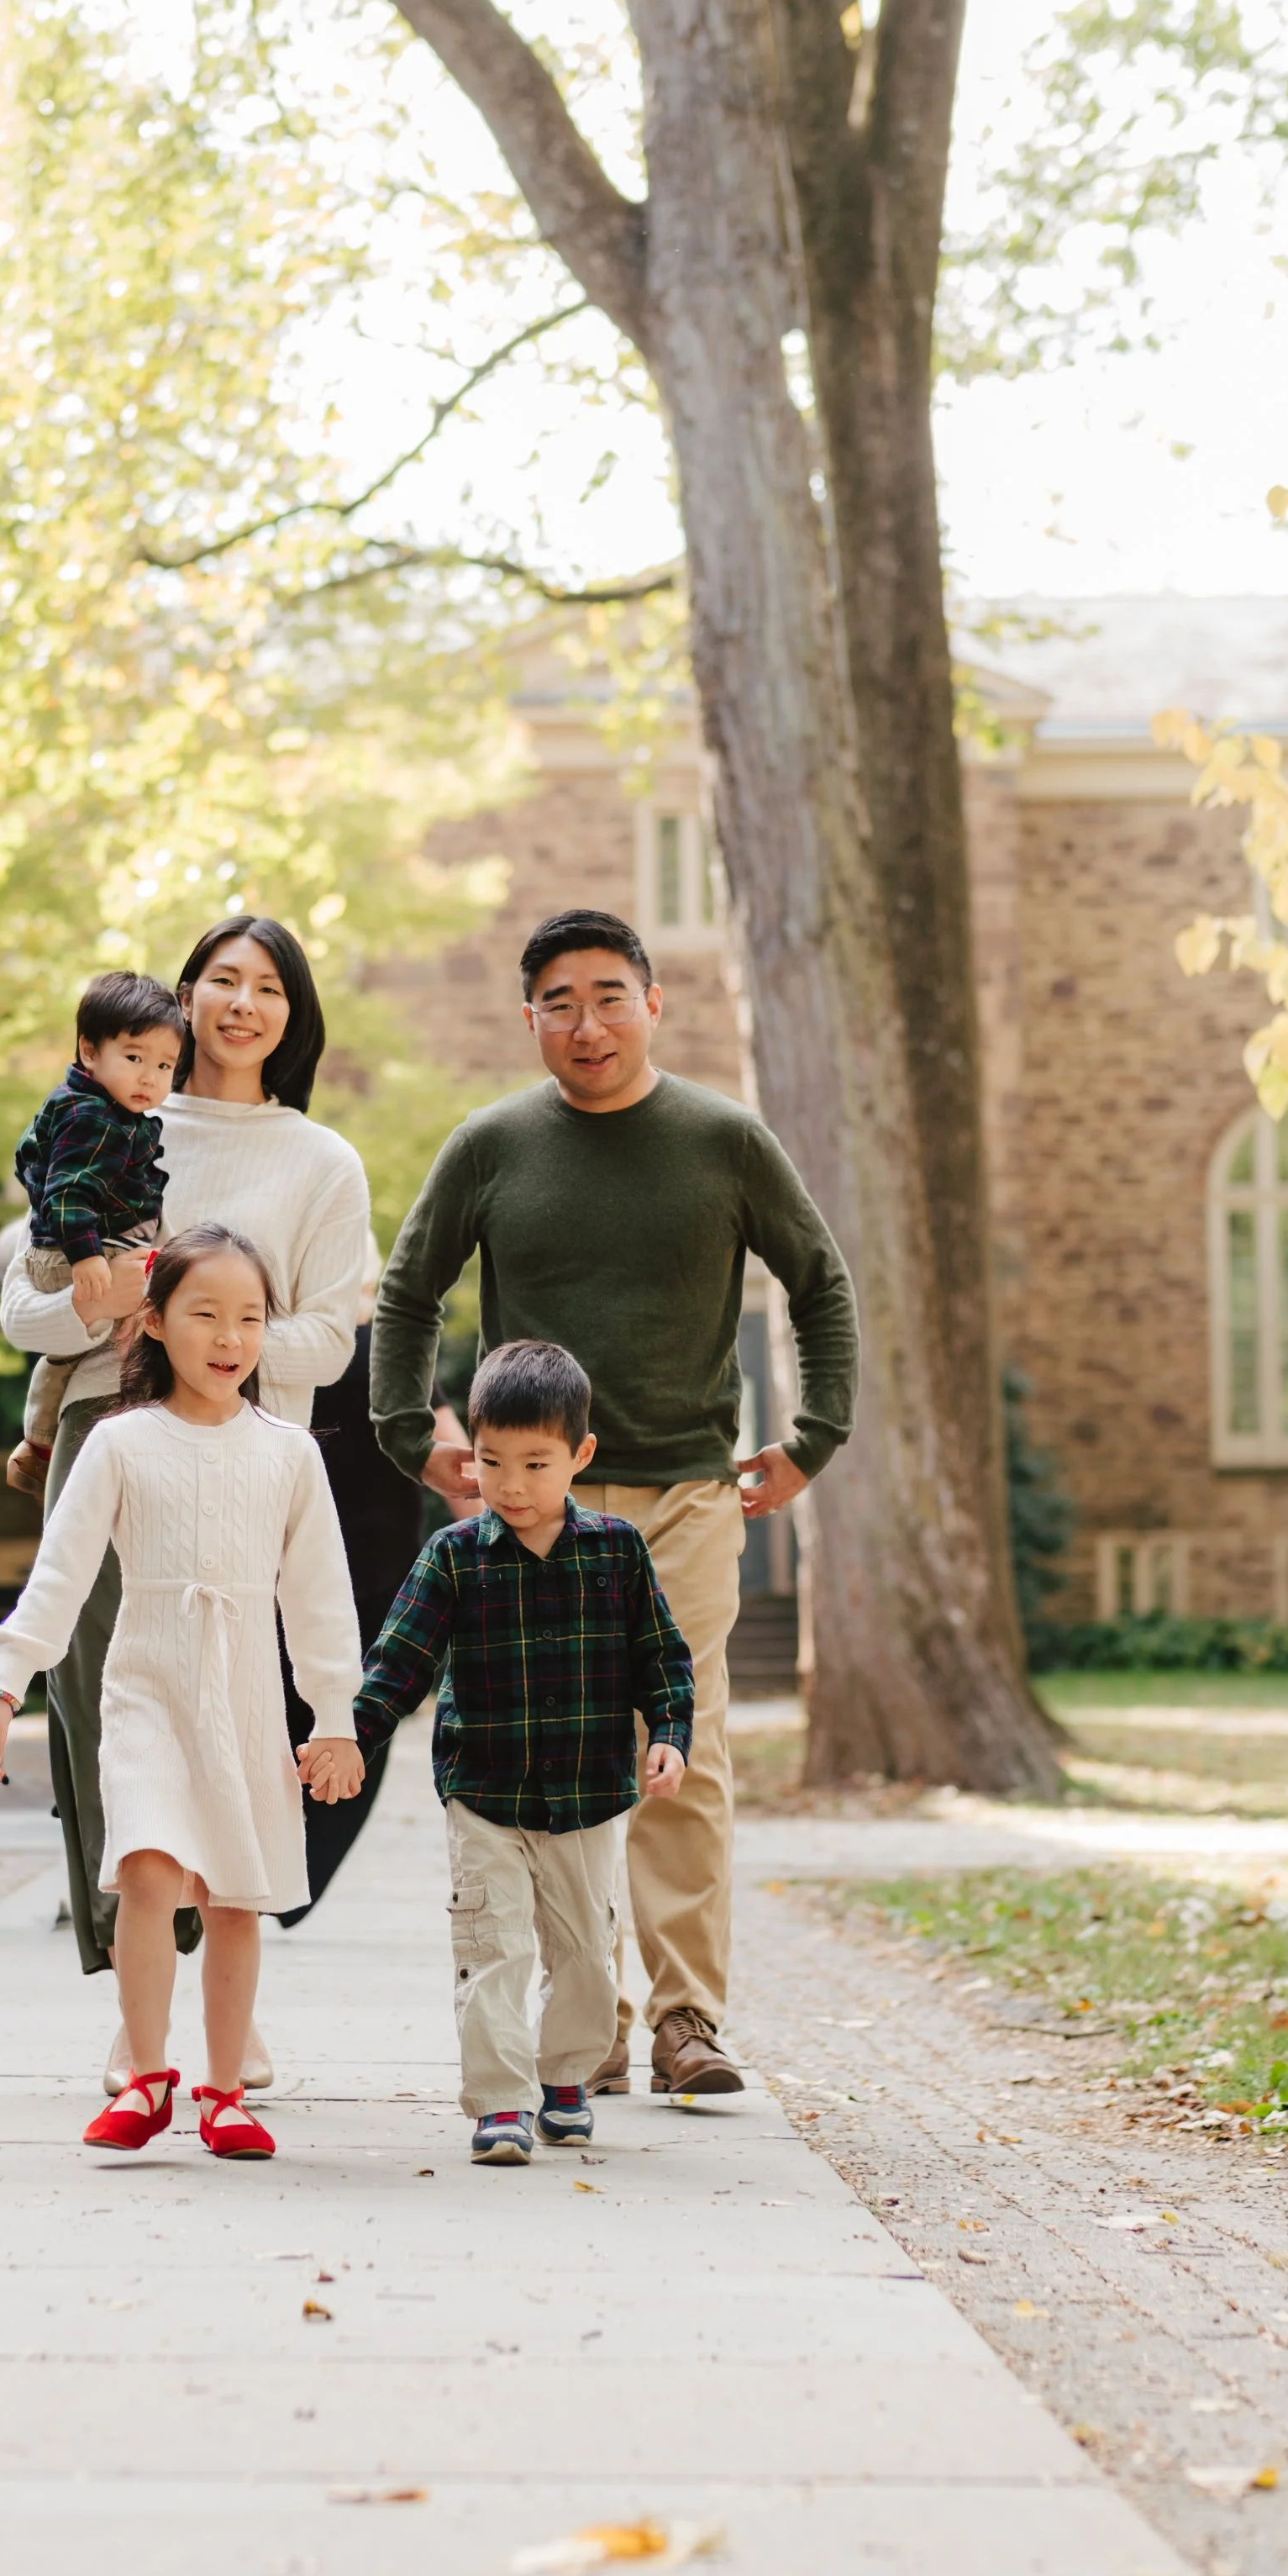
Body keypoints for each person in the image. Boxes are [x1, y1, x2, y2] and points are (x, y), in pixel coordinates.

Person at [370, 908, 858, 2099]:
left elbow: (820, 1280)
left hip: (688, 1493)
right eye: (557, 1002)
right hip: (532, 1508)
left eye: (606, 995)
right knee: (557, 1754)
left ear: (651, 1003)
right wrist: (411, 1428)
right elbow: (408, 1290)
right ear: (530, 1016)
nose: (585, 1023)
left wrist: (813, 1439)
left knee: (675, 1744)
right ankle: (591, 2020)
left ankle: (687, 2016)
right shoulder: (491, 1145)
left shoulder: (724, 1139)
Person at [0, 915, 371, 2073]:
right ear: (186, 995)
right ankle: (138, 2008)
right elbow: (23, 1311)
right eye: (221, 979)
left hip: (242, 1464)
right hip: (110, 1440)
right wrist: (112, 1312)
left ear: (293, 1015)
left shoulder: (321, 1162)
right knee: (107, 1718)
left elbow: (332, 1335)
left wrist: (218, 1340)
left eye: (267, 986)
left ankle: (226, 1998)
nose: (241, 1003)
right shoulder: (107, 1117)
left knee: (226, 1722)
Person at [0, 1226, 363, 2157]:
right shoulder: (118, 1444)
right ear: (152, 1323)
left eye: (249, 1318)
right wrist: (5, 1684)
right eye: (204, 1315)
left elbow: (318, 1600)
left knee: (233, 1894)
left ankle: (223, 2092)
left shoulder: (289, 1454)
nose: (229, 1338)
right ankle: (146, 2077)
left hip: (244, 1695)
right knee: (147, 1870)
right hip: (145, 1682)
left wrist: (336, 1717)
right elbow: (60, 1574)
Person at [354, 1339, 693, 2165]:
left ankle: (567, 2077)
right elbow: (399, 1663)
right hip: (483, 1789)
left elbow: (663, 1658)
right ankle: (501, 2103)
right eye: (492, 1461)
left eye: (536, 1464)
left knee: (584, 1949)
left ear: (579, 1456)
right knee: (492, 1947)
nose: (510, 1485)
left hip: (585, 1793)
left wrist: (671, 1737)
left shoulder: (617, 1552)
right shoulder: (454, 1557)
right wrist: (349, 1741)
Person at [277, 1236, 477, 1923]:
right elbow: (463, 1471)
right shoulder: (395, 1354)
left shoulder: (278, 1349)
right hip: (382, 1576)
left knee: (280, 1714)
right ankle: (302, 1876)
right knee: (362, 1723)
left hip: (286, 1570)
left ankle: (266, 1867)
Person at [4, 972, 184, 1500]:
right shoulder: (93, 1117)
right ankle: (122, 1430)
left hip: (82, 1247)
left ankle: (36, 1445)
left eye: (164, 1065)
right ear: (89, 1050)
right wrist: (86, 1260)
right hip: (83, 1252)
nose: (149, 1077)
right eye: (134, 1058)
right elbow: (66, 1193)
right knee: (141, 1336)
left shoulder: (106, 1110)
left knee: (69, 1356)